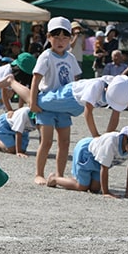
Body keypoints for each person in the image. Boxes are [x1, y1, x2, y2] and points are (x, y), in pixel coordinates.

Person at [29, 16, 82, 185]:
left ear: (70, 39)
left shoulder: (70, 58)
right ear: (48, 37)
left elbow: (74, 80)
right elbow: (36, 79)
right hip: (47, 104)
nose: (60, 41)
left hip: (63, 106)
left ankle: (59, 174)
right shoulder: (46, 56)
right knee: (46, 141)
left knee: (65, 142)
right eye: (56, 37)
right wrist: (33, 102)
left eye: (65, 37)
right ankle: (39, 173)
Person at [47, 119, 128, 199]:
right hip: (86, 152)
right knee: (82, 187)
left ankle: (73, 180)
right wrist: (106, 192)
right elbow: (104, 167)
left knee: (94, 189)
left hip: (98, 160)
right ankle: (54, 179)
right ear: (126, 138)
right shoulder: (111, 141)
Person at [4, 74, 128, 138]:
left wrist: (107, 136)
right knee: (35, 102)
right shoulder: (97, 86)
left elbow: (116, 114)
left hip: (77, 106)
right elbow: (88, 113)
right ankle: (11, 81)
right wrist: (96, 136)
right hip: (68, 97)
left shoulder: (121, 90)